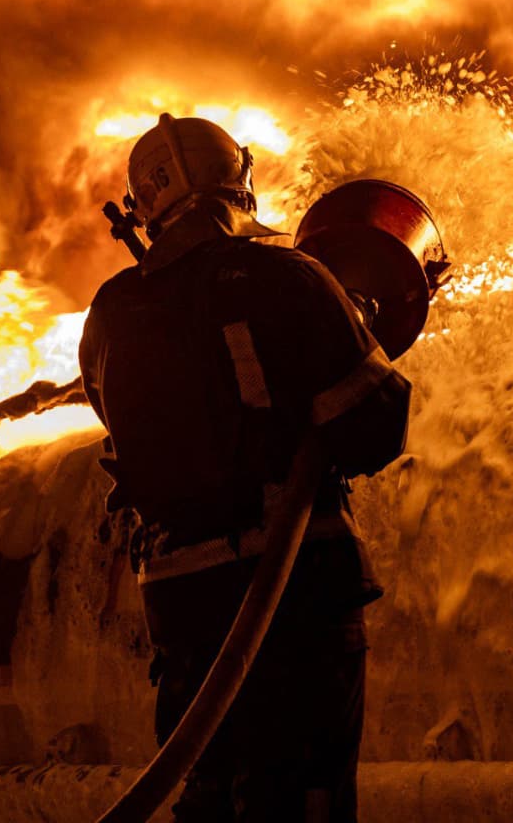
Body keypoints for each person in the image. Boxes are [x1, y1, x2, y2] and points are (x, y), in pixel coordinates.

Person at [79, 114, 411, 823]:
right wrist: (354, 327)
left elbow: (130, 428)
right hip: (295, 593)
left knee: (209, 800)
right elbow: (373, 426)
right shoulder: (286, 276)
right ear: (244, 180)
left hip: (179, 608)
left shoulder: (110, 314)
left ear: (143, 210)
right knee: (304, 801)